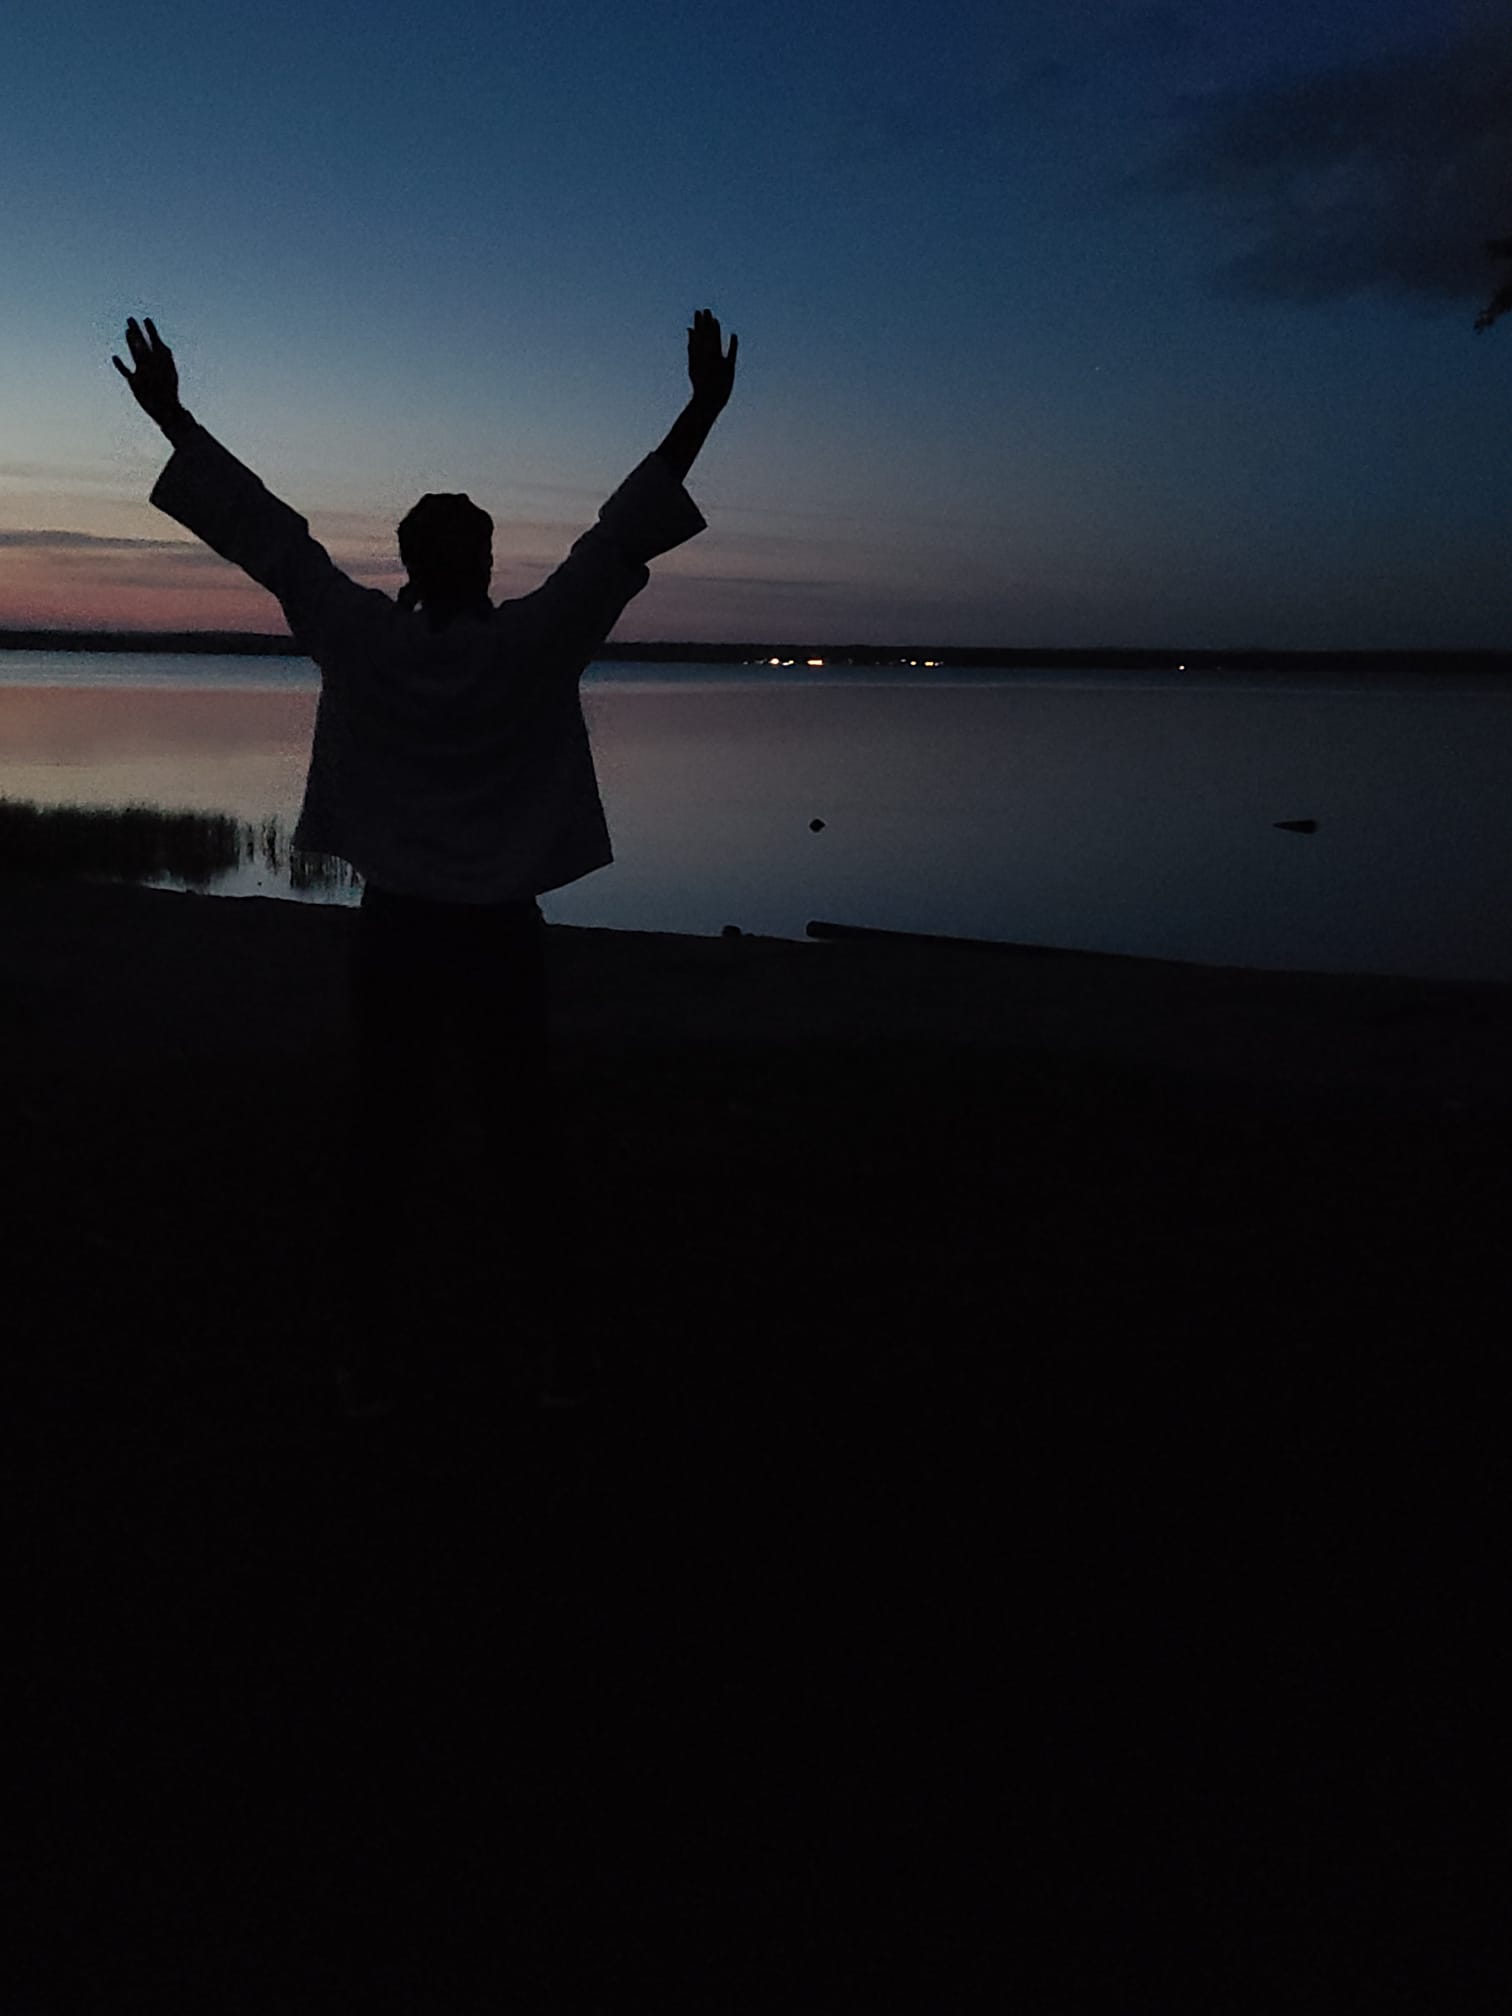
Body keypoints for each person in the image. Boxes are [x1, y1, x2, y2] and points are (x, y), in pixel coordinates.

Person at [113, 309, 738, 1415]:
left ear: (409, 563)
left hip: (400, 933)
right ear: (484, 563)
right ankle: (548, 1344)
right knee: (521, 1138)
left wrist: (171, 414)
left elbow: (270, 539)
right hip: (497, 936)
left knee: (385, 1138)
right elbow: (618, 539)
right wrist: (699, 408)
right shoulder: (529, 644)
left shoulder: (365, 639)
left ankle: (367, 1350)